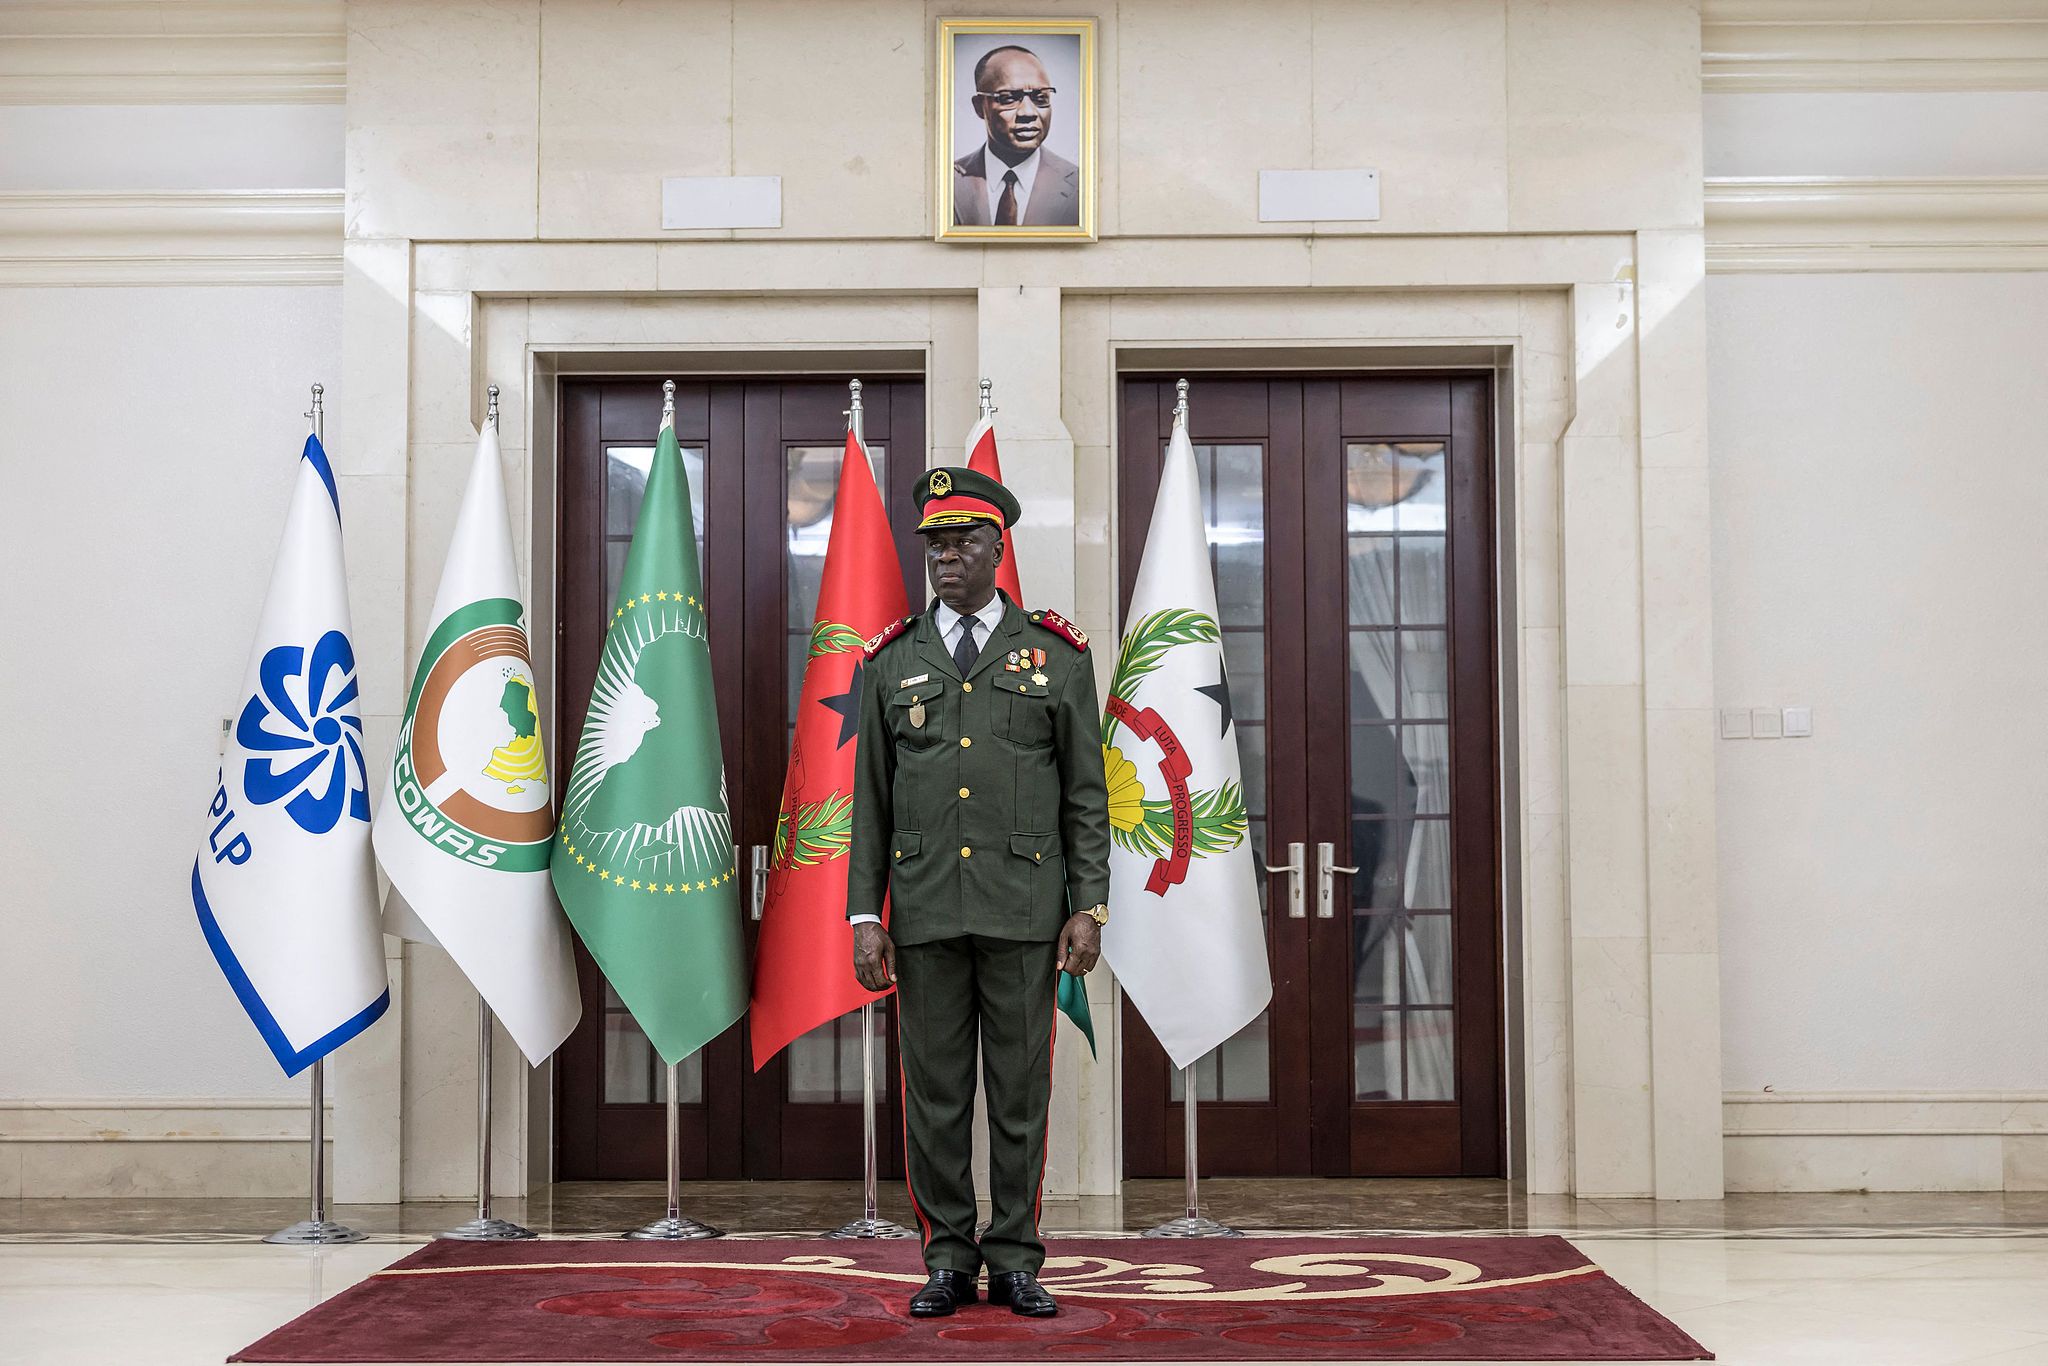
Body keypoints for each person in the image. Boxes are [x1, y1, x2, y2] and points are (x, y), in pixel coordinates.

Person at [846, 466, 1110, 1318]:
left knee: (1020, 1096)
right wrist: (865, 915)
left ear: (999, 549)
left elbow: (1086, 795)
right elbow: (871, 801)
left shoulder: (1056, 657)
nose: (946, 557)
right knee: (936, 1099)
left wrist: (1088, 906)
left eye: (963, 542)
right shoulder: (893, 659)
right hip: (925, 913)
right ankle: (949, 1260)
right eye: (935, 544)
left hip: (1025, 912)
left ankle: (1017, 1259)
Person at [952, 44, 1080, 228]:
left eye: (1040, 98)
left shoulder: (1083, 187)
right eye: (1009, 98)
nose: (1028, 112)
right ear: (979, 106)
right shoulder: (946, 182)